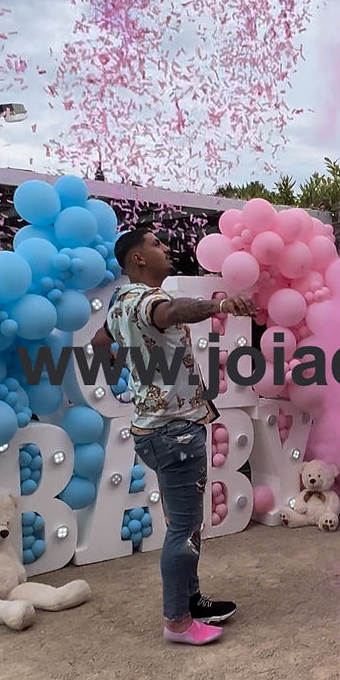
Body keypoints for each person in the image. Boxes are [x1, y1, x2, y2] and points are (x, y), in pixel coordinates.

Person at [106, 227, 255, 646]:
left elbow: (104, 342)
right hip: (173, 431)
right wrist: (221, 303)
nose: (166, 248)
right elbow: (173, 312)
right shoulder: (150, 301)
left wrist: (138, 372)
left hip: (157, 427)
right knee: (184, 528)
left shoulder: (120, 304)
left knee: (185, 526)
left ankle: (191, 602)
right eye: (155, 244)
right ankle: (177, 622)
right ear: (137, 259)